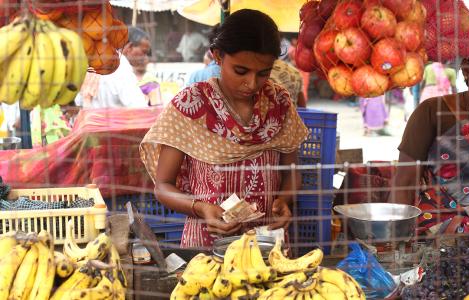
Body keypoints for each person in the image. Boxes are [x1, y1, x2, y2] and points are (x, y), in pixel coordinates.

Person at [140, 9, 309, 248]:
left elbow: (292, 172)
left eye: (263, 73)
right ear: (218, 56)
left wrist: (285, 199)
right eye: (241, 71)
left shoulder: (279, 102)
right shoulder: (190, 105)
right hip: (207, 244)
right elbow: (163, 186)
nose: (251, 83)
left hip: (267, 244)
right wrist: (200, 208)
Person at [393, 29, 469, 235]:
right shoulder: (433, 112)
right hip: (440, 231)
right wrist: (393, 240)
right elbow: (404, 182)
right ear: (467, 70)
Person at [75, 27, 149, 109]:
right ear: (129, 47)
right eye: (144, 52)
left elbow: (78, 102)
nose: (145, 57)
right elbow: (138, 107)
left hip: (90, 119)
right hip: (115, 120)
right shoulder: (122, 69)